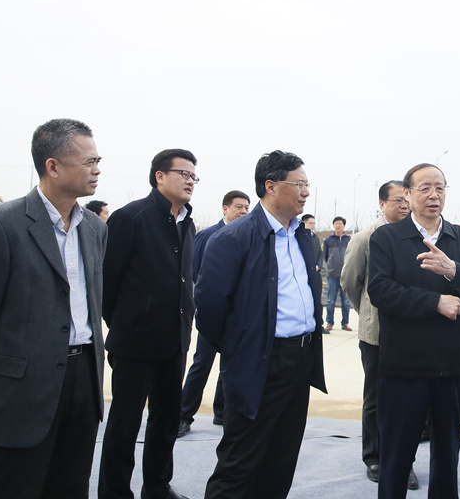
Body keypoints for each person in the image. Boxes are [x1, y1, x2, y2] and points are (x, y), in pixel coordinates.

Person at [195, 151, 326, 498]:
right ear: (271, 186)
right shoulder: (234, 238)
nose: (306, 192)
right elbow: (208, 309)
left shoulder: (303, 237)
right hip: (259, 362)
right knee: (240, 463)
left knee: (281, 460)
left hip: (300, 360)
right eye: (299, 184)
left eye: (307, 184)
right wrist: (241, 347)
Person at [0, 119, 106, 498]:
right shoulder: (1, 225)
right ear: (52, 167)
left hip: (83, 380)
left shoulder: (95, 228)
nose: (97, 169)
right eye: (89, 161)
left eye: (98, 161)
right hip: (22, 389)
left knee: (71, 486)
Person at [368, 162, 460, 499]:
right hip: (404, 368)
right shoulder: (387, 237)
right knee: (396, 457)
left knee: (447, 457)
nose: (434, 194)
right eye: (424, 188)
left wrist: (453, 270)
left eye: (440, 187)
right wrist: (435, 302)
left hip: (453, 367)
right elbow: (380, 291)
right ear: (407, 194)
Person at [98, 149, 198, 499]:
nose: (190, 181)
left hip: (175, 341)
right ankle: (114, 492)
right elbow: (107, 282)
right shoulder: (130, 217)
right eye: (184, 173)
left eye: (194, 176)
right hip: (135, 342)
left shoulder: (187, 223)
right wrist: (128, 321)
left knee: (166, 421)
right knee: (125, 424)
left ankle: (157, 488)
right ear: (159, 176)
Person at [340, 180, 419, 489]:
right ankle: (374, 456)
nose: (404, 205)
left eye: (406, 200)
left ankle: (403, 461)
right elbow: (351, 282)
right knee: (376, 397)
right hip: (376, 335)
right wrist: (367, 313)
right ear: (382, 204)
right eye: (398, 200)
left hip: (411, 332)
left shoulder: (415, 237)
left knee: (409, 400)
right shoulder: (365, 238)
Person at [178, 190, 251, 438]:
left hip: (238, 315)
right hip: (213, 312)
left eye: (246, 208)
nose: (243, 211)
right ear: (225, 209)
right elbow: (195, 271)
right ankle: (183, 415)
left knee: (230, 365)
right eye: (239, 207)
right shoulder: (209, 235)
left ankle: (221, 412)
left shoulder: (248, 236)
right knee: (202, 364)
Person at [324, 216, 352, 331]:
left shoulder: (349, 240)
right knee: (330, 301)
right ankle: (329, 322)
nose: (338, 226)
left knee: (346, 302)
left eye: (340, 224)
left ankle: (345, 323)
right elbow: (325, 257)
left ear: (344, 226)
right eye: (336, 224)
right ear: (333, 226)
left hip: (346, 275)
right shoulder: (328, 240)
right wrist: (330, 267)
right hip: (332, 275)